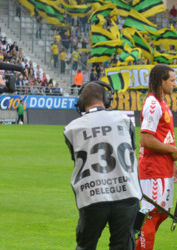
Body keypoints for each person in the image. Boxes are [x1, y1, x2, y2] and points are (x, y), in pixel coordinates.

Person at [64, 81, 142, 249]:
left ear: (80, 104)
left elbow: (76, 158)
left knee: (86, 245)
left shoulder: (71, 129)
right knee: (123, 245)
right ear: (106, 100)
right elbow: (132, 153)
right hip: (126, 193)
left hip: (92, 195)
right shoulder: (124, 119)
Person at [137, 64, 177, 250]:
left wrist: (172, 162)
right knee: (151, 214)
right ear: (161, 81)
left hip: (163, 168)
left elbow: (164, 137)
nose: (175, 84)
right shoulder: (153, 104)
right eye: (172, 80)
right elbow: (146, 139)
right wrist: (171, 151)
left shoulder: (162, 103)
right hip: (152, 169)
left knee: (162, 213)